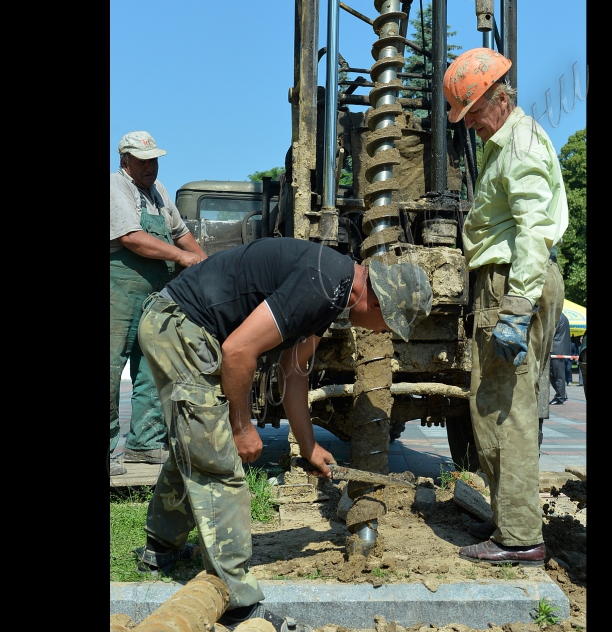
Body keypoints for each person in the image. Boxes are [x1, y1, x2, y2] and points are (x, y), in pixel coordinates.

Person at [134, 237, 432, 629]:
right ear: (376, 303)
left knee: (197, 440)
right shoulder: (321, 286)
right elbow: (238, 351)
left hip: (187, 329)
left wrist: (308, 446)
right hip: (179, 327)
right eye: (388, 325)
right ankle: (236, 601)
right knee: (219, 462)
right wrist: (242, 427)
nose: (382, 332)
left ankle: (160, 549)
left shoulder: (336, 287)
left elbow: (293, 370)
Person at [442, 47, 568, 567]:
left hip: (516, 282)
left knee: (509, 411)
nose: (467, 125)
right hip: (506, 280)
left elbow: (535, 230)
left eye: (469, 113)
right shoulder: (502, 141)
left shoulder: (518, 145)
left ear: (495, 99)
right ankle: (510, 519)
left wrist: (516, 306)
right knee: (489, 406)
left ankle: (519, 538)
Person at [110, 131, 207, 476]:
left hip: (155, 293)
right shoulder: (116, 187)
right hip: (119, 289)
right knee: (111, 366)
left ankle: (145, 444)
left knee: (153, 365)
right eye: (142, 160)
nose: (150, 166)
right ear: (125, 161)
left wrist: (206, 265)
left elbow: (181, 233)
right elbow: (132, 238)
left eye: (153, 160)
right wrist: (184, 259)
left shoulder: (159, 191)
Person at [549, 312, 570, 405]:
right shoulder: (562, 316)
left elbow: (550, 333)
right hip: (559, 348)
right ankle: (562, 394)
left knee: (557, 374)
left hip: (556, 349)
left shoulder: (556, 316)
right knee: (555, 374)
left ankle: (560, 396)